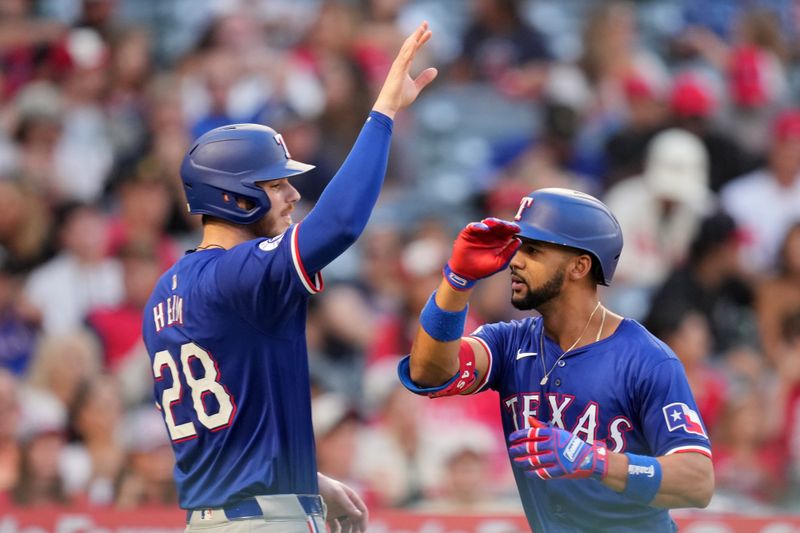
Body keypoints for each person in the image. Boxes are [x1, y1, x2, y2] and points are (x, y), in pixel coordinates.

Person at [141, 22, 437, 533]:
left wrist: (307, 480)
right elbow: (340, 223)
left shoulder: (165, 292)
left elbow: (231, 430)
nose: (293, 195)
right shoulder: (239, 274)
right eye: (277, 184)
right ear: (233, 197)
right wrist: (383, 112)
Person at [398, 188, 714, 532]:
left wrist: (595, 460)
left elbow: (697, 481)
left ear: (580, 266)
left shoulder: (647, 359)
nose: (515, 261)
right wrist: (457, 280)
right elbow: (427, 371)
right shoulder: (509, 342)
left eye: (533, 250)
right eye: (518, 247)